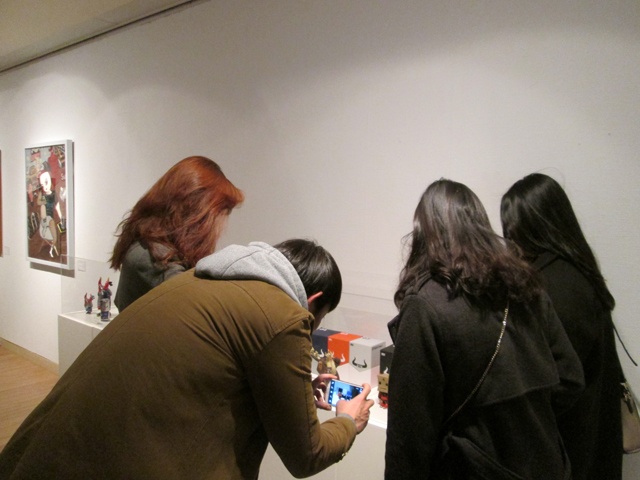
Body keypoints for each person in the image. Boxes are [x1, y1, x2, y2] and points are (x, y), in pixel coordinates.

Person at [0, 239, 374, 479]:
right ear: (313, 301)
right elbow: (306, 455)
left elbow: (219, 373)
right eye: (319, 319)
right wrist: (347, 420)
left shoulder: (199, 280)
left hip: (60, 451)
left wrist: (296, 389)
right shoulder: (285, 315)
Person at [385, 179, 584, 480]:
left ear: (423, 233)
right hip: (546, 464)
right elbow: (570, 378)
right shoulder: (526, 288)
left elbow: (409, 437)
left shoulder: (425, 305)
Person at [501, 173, 623, 480]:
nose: (510, 243)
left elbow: (556, 383)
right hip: (592, 439)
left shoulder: (550, 288)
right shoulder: (579, 269)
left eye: (514, 232)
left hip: (566, 451)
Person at [110, 155, 244, 312]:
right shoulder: (152, 256)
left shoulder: (151, 249)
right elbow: (200, 309)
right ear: (197, 213)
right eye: (222, 213)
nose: (221, 226)